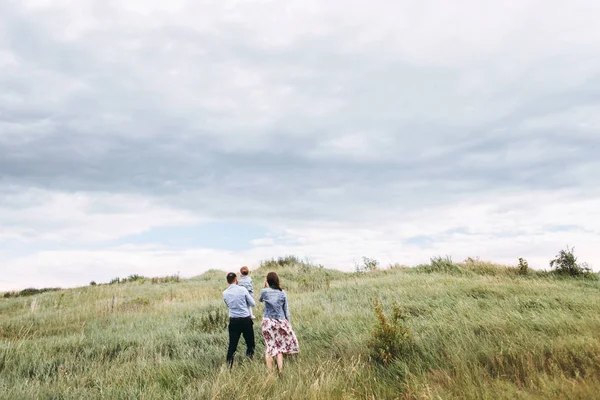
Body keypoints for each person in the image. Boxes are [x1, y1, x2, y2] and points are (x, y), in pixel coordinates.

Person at [259, 272, 299, 374]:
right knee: (279, 348)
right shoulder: (282, 292)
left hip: (268, 322)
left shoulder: (264, 292)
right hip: (280, 322)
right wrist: (288, 324)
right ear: (277, 280)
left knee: (270, 347)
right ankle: (280, 371)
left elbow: (260, 300)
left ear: (268, 281)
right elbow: (286, 310)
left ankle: (271, 373)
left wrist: (264, 286)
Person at [222, 272, 256, 368]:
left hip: (234, 321)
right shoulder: (243, 290)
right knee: (250, 344)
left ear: (227, 281)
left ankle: (229, 367)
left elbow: (228, 305)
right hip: (245, 320)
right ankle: (249, 363)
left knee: (232, 346)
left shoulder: (225, 293)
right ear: (236, 279)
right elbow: (253, 303)